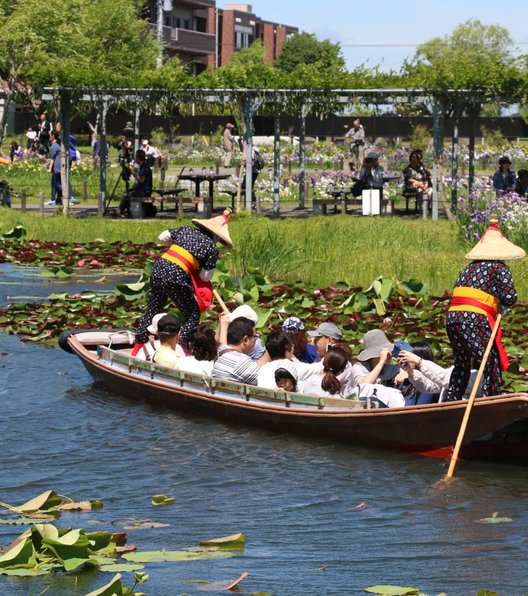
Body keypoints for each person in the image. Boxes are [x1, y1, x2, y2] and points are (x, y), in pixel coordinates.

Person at [132, 208, 233, 355]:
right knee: (192, 314)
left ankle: (137, 348)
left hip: (159, 268)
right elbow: (205, 276)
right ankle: (181, 349)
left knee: (153, 309)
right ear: (217, 237)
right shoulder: (212, 249)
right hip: (177, 275)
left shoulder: (186, 230)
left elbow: (163, 236)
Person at [445, 220, 525, 401]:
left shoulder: (468, 269)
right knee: (490, 361)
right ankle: (491, 399)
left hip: (453, 318)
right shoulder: (499, 268)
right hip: (474, 318)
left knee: (462, 362)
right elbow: (510, 297)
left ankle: (453, 397)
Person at [397, 344, 479, 403]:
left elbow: (445, 378)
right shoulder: (457, 370)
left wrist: (419, 362)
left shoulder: (478, 376)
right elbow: (430, 385)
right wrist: (410, 372)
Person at [211, 317, 261, 385]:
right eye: (255, 337)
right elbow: (265, 379)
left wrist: (223, 325)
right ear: (245, 340)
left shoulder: (221, 351)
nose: (256, 340)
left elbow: (221, 342)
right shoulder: (240, 361)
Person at [118, 149, 153, 218]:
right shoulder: (144, 166)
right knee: (128, 192)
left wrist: (132, 173)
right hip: (143, 190)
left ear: (139, 157)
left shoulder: (144, 167)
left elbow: (141, 180)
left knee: (126, 194)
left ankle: (120, 211)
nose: (135, 158)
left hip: (145, 191)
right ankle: (124, 211)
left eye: (136, 157)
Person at [48, 131, 62, 206]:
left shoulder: (54, 146)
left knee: (56, 184)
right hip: (59, 167)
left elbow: (52, 158)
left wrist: (50, 168)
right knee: (55, 183)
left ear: (53, 136)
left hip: (57, 167)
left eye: (50, 135)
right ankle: (56, 199)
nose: (49, 136)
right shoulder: (57, 145)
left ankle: (57, 198)